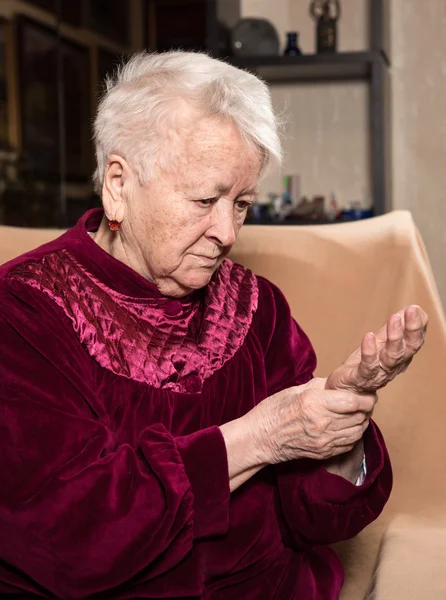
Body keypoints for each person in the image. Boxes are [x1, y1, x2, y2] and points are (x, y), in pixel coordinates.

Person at [0, 51, 427, 600]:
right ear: (117, 185)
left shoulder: (256, 307)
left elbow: (309, 523)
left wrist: (338, 433)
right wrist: (257, 437)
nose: (226, 232)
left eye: (242, 203)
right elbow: (66, 539)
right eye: (205, 199)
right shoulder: (26, 309)